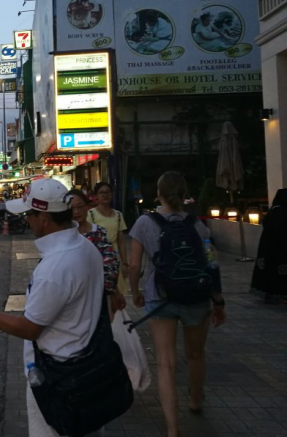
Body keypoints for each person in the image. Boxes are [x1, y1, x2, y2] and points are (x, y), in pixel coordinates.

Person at [0, 178, 107, 437]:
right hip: (88, 370)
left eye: (29, 214)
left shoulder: (56, 267)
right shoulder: (85, 247)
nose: (26, 220)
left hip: (59, 379)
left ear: (44, 219)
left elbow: (30, 328)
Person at [129, 171, 225, 437]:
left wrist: (136, 291)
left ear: (158, 194)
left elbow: (135, 264)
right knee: (195, 355)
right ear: (184, 195)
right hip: (196, 297)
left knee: (166, 363)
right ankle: (195, 400)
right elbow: (212, 263)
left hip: (160, 298)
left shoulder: (144, 223)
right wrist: (218, 301)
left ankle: (173, 429)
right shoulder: (199, 225)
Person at [68, 189, 125, 316]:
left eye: (80, 206)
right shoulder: (64, 235)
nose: (76, 212)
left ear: (87, 207)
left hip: (100, 295)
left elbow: (109, 265)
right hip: (74, 299)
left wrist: (116, 292)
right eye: (71, 208)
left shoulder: (99, 232)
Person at [89, 182, 130, 295]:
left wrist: (125, 263)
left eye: (107, 192)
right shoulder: (91, 215)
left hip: (115, 259)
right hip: (98, 258)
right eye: (101, 193)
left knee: (118, 292)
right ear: (96, 196)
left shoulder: (118, 215)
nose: (105, 195)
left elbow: (121, 241)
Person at [251, 189, 287, 304]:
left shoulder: (273, 210)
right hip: (279, 247)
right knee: (278, 269)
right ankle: (278, 292)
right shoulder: (281, 212)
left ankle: (270, 291)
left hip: (268, 245)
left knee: (269, 268)